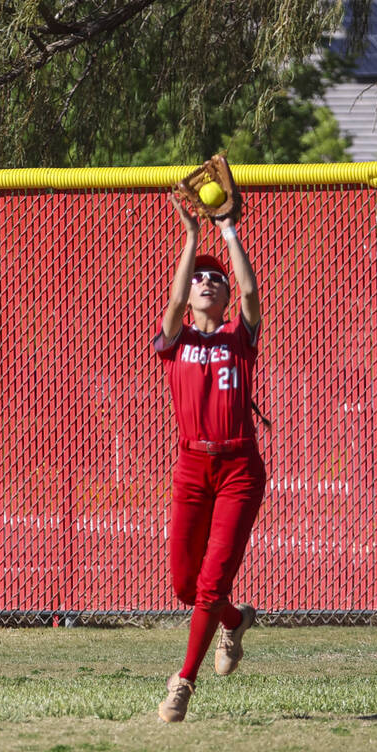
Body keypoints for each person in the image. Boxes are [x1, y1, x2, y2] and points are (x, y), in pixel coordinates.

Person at [153, 184, 267, 723]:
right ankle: (234, 619)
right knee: (184, 585)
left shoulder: (238, 339)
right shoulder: (175, 338)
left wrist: (227, 229)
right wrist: (192, 236)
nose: (205, 283)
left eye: (213, 279)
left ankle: (183, 682)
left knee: (211, 580)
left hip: (240, 468)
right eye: (199, 277)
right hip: (193, 466)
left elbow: (250, 293)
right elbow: (174, 303)